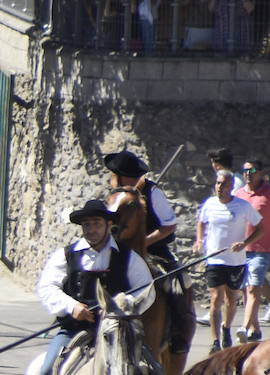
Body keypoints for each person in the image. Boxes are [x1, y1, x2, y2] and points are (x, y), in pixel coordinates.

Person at [20, 198, 188, 375]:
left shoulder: (127, 257)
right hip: (76, 329)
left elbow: (146, 290)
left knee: (153, 372)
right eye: (87, 224)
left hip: (118, 329)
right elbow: (48, 287)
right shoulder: (66, 255)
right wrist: (72, 306)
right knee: (47, 368)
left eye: (96, 223)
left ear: (108, 225)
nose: (91, 229)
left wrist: (123, 307)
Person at [103, 149, 193, 354]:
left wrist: (144, 241)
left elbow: (168, 226)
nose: (112, 178)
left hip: (154, 250)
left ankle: (180, 332)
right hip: (117, 250)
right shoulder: (114, 196)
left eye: (116, 174)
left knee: (177, 284)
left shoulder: (152, 192)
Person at [200, 170, 264, 351]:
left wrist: (245, 243)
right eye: (218, 183)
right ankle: (214, 341)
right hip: (214, 259)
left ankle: (226, 328)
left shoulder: (242, 206)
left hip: (236, 261)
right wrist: (199, 241)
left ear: (231, 187)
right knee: (215, 298)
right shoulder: (210, 204)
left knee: (231, 300)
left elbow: (260, 228)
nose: (219, 187)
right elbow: (201, 222)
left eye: (224, 184)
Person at [236, 160, 270, 341]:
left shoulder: (268, 193)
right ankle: (255, 330)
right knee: (245, 290)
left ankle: (244, 327)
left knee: (253, 289)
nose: (248, 173)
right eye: (245, 170)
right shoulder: (239, 194)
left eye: (252, 170)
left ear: (261, 172)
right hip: (241, 249)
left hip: (262, 249)